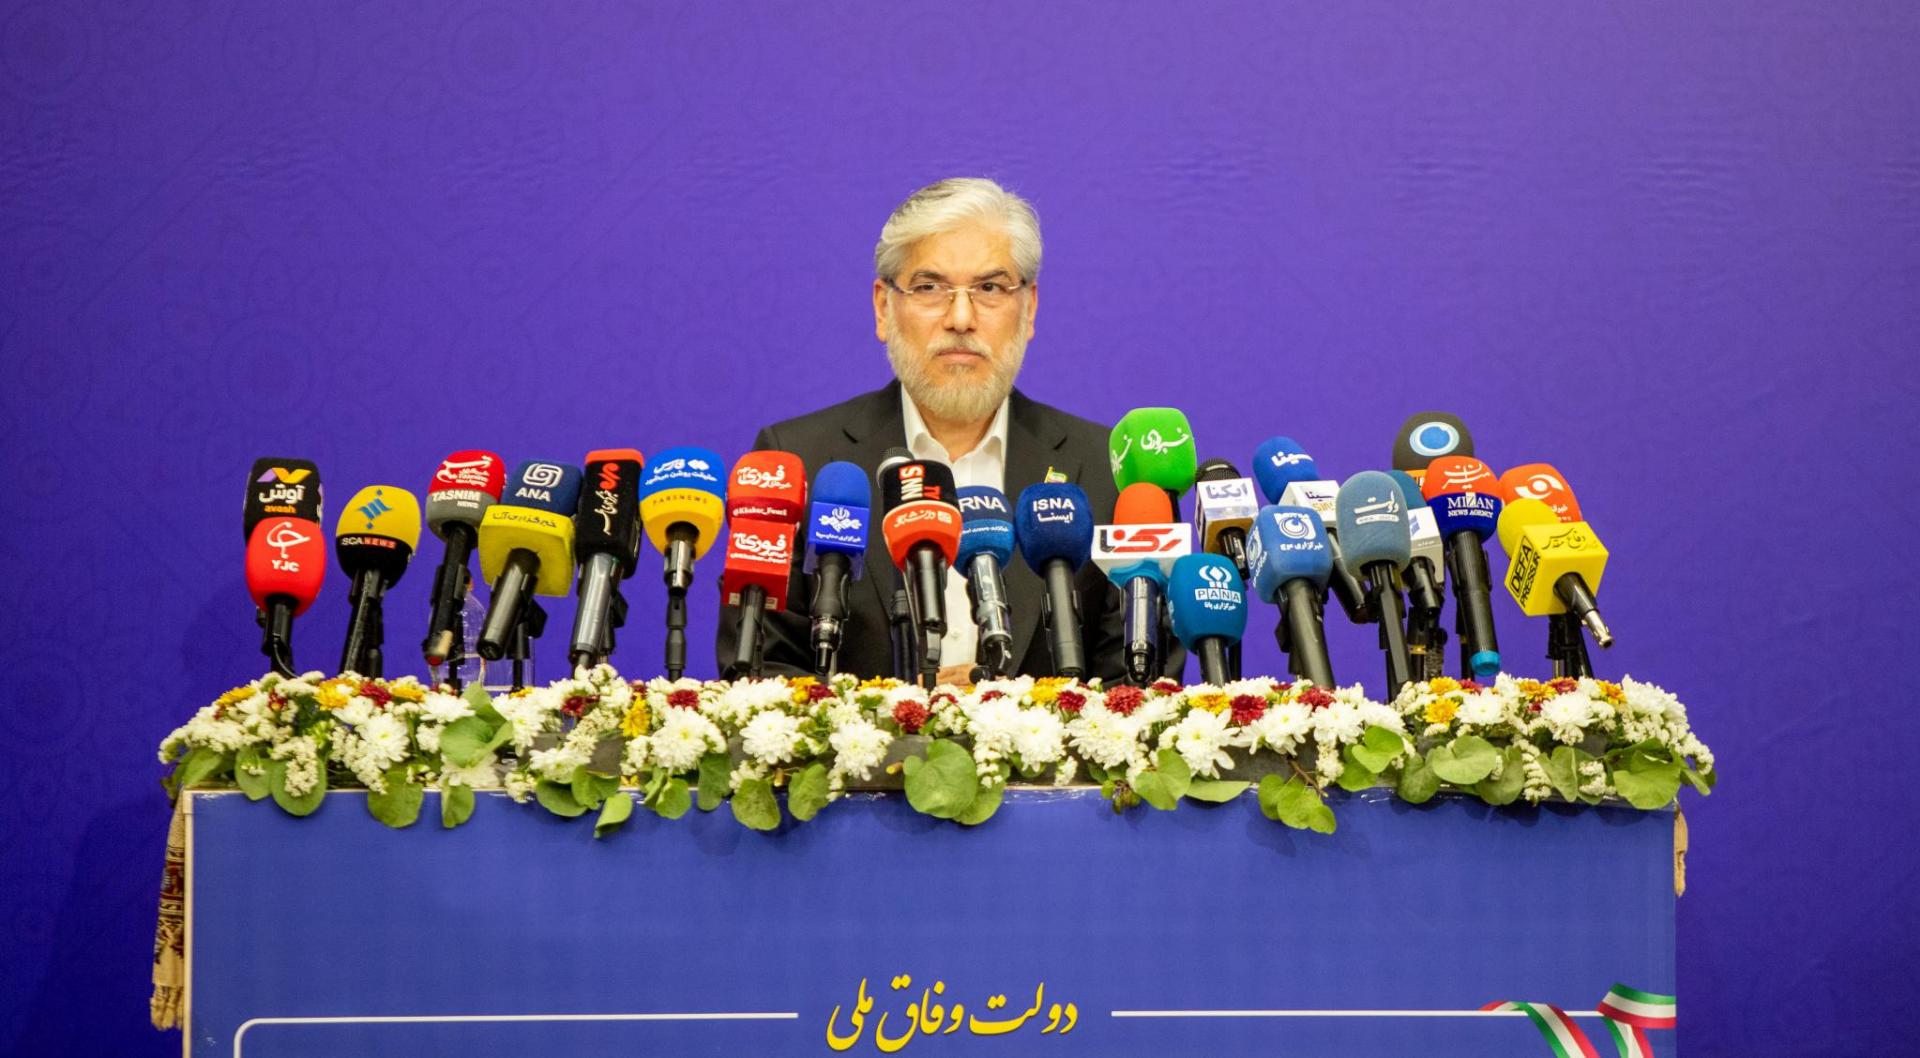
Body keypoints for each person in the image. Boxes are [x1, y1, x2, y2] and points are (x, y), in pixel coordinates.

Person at [715, 177, 1130, 684]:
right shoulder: (799, 459)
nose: (961, 318)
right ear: (883, 307)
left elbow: (1139, 685)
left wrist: (1014, 714)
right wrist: (904, 712)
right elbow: (757, 671)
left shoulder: (1105, 469)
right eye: (930, 287)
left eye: (990, 288)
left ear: (1029, 309)